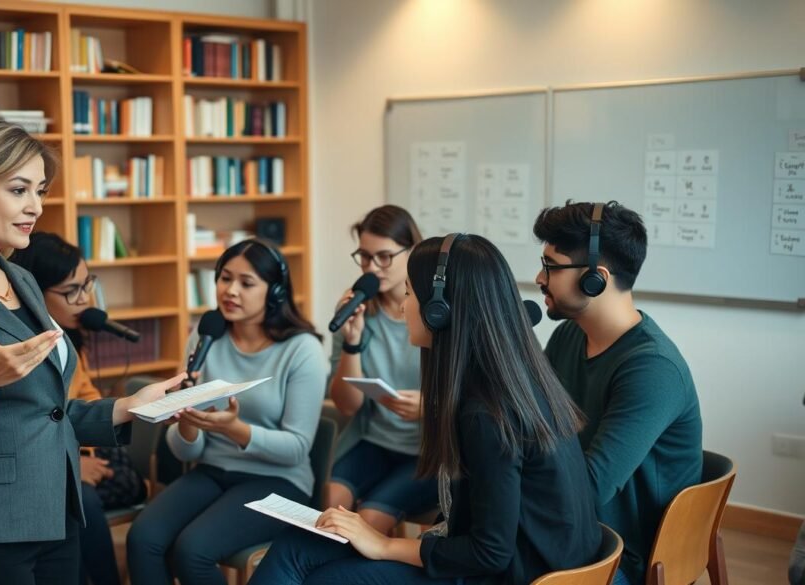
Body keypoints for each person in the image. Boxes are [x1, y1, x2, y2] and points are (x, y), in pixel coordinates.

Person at [0, 118, 184, 585]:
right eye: (19, 190)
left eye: (40, 191)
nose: (36, 207)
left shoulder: (20, 280)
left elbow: (47, 412)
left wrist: (128, 408)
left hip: (53, 516)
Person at [250, 233, 601, 585]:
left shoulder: (487, 413)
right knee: (295, 547)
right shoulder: (512, 379)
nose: (402, 307)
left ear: (440, 310)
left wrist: (385, 545)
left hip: (508, 574)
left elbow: (490, 553)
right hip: (494, 558)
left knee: (326, 577)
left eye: (408, 293)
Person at [126, 239, 327, 585]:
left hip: (279, 481)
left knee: (193, 551)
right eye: (224, 278)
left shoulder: (301, 350)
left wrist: (235, 429)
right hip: (213, 470)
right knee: (142, 538)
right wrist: (188, 424)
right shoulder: (204, 339)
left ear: (275, 292)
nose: (230, 291)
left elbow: (296, 448)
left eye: (246, 283)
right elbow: (185, 450)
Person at [533, 201, 703, 585]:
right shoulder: (568, 335)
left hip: (623, 553)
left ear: (597, 277)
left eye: (551, 267)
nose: (539, 279)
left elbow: (589, 489)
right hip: (576, 530)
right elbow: (534, 423)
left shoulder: (653, 369)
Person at [10, 231, 148, 585]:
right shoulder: (19, 347)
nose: (85, 298)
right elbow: (27, 421)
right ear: (31, 289)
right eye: (71, 290)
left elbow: (81, 403)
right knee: (79, 501)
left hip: (73, 449)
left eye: (88, 284)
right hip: (32, 463)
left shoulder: (69, 337)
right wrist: (69, 462)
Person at [326, 205, 436, 534]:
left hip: (428, 452)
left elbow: (476, 393)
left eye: (384, 257)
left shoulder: (436, 312)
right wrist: (352, 341)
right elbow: (347, 405)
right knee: (332, 506)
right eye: (364, 257)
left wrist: (429, 406)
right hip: (373, 441)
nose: (372, 268)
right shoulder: (354, 310)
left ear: (413, 250)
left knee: (370, 519)